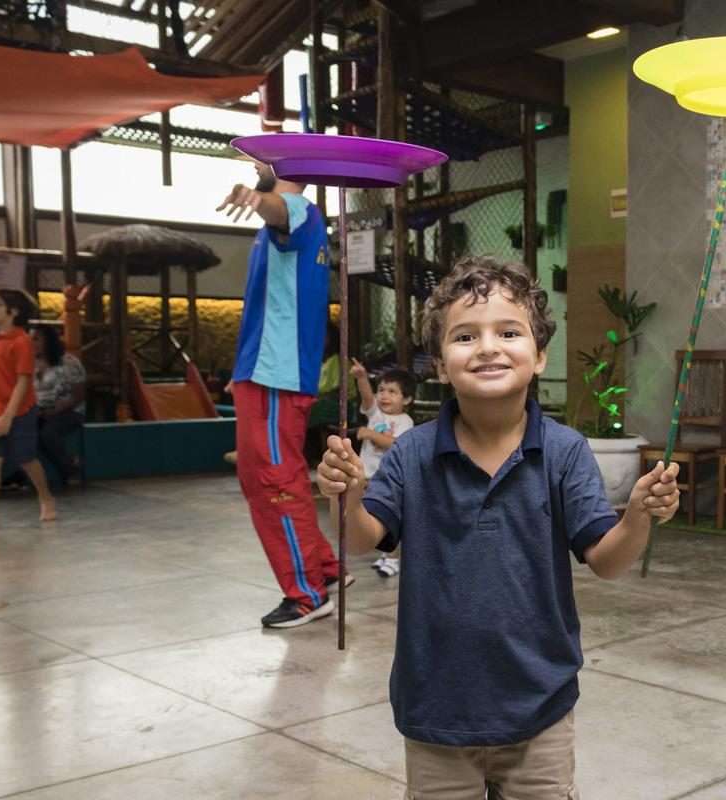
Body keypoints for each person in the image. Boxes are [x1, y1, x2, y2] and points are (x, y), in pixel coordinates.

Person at [317, 255, 680, 797]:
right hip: (435, 704)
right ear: (440, 365)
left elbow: (606, 561)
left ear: (540, 355)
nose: (487, 346)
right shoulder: (414, 452)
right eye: (465, 336)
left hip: (540, 704)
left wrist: (636, 516)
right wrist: (347, 496)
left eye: (508, 331)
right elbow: (363, 539)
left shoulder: (564, 452)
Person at [217, 159, 349, 629]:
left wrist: (257, 197)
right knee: (276, 475)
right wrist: (244, 368)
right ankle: (325, 571)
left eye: (263, 159)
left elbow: (277, 207)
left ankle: (306, 594)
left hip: (277, 375)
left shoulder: (296, 208)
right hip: (265, 371)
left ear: (282, 167)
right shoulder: (298, 218)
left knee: (273, 480)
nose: (254, 164)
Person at [0, 289, 57, 531]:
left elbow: (23, 381)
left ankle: (45, 497)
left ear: (13, 312)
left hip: (19, 411)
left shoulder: (21, 342)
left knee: (25, 459)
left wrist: (7, 415)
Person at [347, 357, 415, 577]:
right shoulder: (375, 414)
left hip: (388, 479)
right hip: (367, 476)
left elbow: (396, 444)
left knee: (390, 517)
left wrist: (369, 433)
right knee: (373, 516)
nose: (384, 395)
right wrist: (362, 377)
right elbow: (367, 397)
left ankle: (393, 560)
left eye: (392, 392)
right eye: (382, 390)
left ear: (407, 399)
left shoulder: (406, 421)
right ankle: (385, 555)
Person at [29, 324, 85, 485]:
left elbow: (78, 395)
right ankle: (70, 459)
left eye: (36, 339)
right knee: (27, 432)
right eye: (30, 339)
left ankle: (69, 473)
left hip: (68, 409)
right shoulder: (29, 364)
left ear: (48, 341)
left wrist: (54, 410)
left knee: (48, 433)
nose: (32, 343)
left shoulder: (68, 362)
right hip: (40, 409)